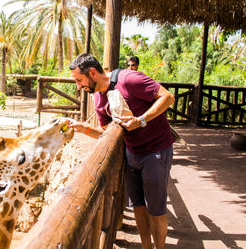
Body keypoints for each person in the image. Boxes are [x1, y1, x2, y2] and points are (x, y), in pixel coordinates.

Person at [68, 53, 175, 249]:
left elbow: (168, 97)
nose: (78, 86)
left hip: (155, 151)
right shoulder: (99, 98)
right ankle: (145, 247)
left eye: (79, 80)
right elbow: (104, 131)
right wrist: (83, 128)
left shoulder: (129, 79)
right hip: (131, 154)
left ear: (92, 73)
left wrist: (141, 120)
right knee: (139, 208)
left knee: (156, 210)